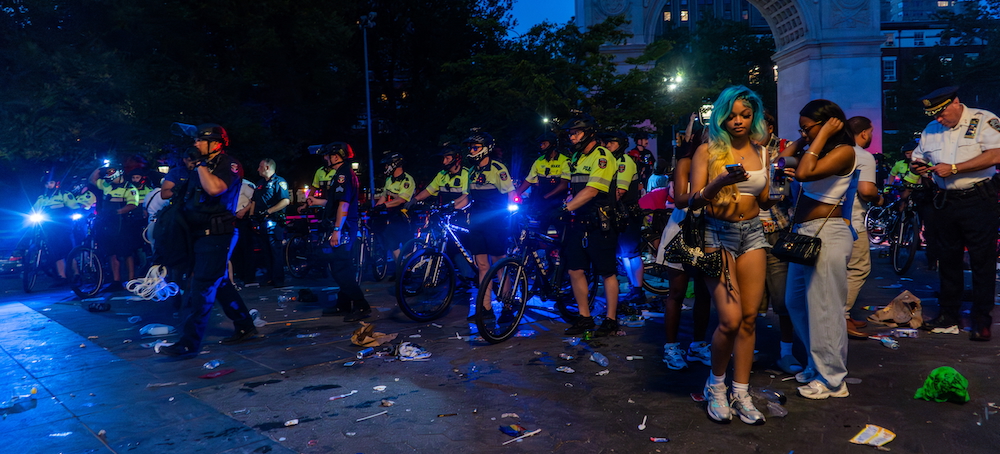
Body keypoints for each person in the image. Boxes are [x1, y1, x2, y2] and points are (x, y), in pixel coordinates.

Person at [687, 86, 775, 424]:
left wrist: (776, 189)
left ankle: (741, 390)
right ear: (722, 116)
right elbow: (694, 201)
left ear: (753, 116)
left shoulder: (761, 151)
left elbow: (764, 200)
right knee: (730, 319)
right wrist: (719, 181)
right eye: (732, 114)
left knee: (750, 318)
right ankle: (717, 384)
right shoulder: (707, 151)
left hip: (753, 233)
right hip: (717, 235)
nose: (738, 121)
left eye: (746, 114)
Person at [157, 123, 256, 357]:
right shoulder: (199, 168)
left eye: (201, 141)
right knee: (219, 282)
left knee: (201, 287)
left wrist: (200, 165)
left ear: (216, 143)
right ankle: (245, 325)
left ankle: (189, 343)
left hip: (217, 234)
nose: (196, 144)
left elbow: (215, 189)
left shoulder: (228, 164)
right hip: (197, 234)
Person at [911, 86, 1000, 342]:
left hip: (978, 199)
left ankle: (981, 319)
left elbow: (996, 154)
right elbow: (918, 157)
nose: (938, 119)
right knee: (947, 259)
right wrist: (918, 167)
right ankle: (949, 315)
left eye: (941, 113)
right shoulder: (931, 129)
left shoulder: (984, 120)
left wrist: (955, 168)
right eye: (934, 115)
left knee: (982, 260)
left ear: (956, 103)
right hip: (945, 201)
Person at [783, 99, 858, 400]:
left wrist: (824, 133)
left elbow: (802, 174)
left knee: (825, 309)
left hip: (827, 234)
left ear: (830, 123)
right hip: (805, 234)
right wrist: (807, 136)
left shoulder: (844, 152)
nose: (803, 134)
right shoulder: (815, 149)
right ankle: (818, 364)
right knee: (797, 302)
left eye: (806, 127)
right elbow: (782, 160)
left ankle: (833, 379)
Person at [654, 121, 713, 371]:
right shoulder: (686, 163)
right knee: (677, 293)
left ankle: (698, 345)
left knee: (703, 294)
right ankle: (671, 346)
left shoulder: (723, 164)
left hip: (710, 232)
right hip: (681, 230)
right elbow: (680, 200)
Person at [559, 114, 621, 337]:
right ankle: (584, 317)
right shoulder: (576, 157)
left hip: (600, 222)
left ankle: (611, 319)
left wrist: (566, 208)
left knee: (606, 272)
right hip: (579, 222)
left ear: (590, 133)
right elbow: (573, 189)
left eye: (576, 132)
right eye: (571, 134)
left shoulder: (602, 156)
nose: (572, 137)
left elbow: (592, 189)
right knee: (575, 269)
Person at [305, 142, 371, 321]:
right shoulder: (340, 175)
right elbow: (335, 201)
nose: (325, 158)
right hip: (343, 226)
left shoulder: (343, 176)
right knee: (342, 266)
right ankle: (344, 304)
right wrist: (317, 202)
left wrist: (337, 230)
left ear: (336, 156)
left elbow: (344, 204)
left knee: (339, 267)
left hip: (344, 227)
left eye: (327, 155)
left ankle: (361, 305)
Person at [756, 111, 801, 375]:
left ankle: (786, 353)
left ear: (770, 127)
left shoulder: (783, 148)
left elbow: (788, 188)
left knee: (783, 299)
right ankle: (747, 351)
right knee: (748, 302)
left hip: (777, 229)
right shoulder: (741, 150)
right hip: (747, 231)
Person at [463, 129, 516, 320]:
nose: (471, 151)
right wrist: (446, 208)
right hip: (477, 221)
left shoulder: (498, 169)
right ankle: (485, 309)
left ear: (486, 149)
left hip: (495, 222)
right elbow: (466, 197)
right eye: (470, 147)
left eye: (475, 147)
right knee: (482, 265)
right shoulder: (471, 171)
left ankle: (508, 306)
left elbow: (511, 195)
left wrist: (511, 217)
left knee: (499, 264)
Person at [844, 116, 884, 339]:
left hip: (830, 222)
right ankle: (842, 316)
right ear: (864, 133)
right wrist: (878, 199)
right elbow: (866, 190)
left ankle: (844, 316)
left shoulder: (833, 152)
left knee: (839, 273)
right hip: (853, 224)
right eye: (871, 132)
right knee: (858, 269)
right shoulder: (863, 156)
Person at [602, 129, 646, 307]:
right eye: (606, 142)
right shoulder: (610, 161)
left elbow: (620, 191)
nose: (607, 146)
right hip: (617, 212)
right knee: (624, 255)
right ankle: (634, 289)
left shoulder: (624, 162)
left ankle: (638, 290)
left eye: (611, 143)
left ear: (620, 144)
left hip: (627, 212)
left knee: (632, 254)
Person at [88, 164, 141, 290]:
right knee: (111, 252)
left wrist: (118, 212)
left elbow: (133, 204)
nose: (109, 178)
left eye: (111, 175)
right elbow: (92, 180)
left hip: (124, 223)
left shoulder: (129, 188)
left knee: (127, 252)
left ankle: (131, 280)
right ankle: (116, 281)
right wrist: (101, 167)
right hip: (108, 223)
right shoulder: (107, 185)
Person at [514, 132, 570, 232]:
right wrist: (515, 194)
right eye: (541, 144)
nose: (542, 146)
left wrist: (546, 196)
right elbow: (529, 180)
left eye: (544, 144)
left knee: (562, 232)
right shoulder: (539, 161)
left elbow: (564, 185)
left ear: (552, 144)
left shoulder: (564, 161)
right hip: (542, 203)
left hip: (558, 203)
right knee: (539, 232)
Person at [252, 158, 290, 287]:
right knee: (266, 251)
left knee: (275, 251)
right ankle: (270, 278)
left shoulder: (279, 182)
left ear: (267, 167)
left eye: (260, 166)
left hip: (274, 221)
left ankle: (278, 279)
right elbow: (254, 201)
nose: (258, 169)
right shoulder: (260, 183)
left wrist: (268, 211)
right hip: (262, 222)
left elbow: (285, 201)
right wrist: (253, 217)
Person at [32, 171, 74, 285]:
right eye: (46, 183)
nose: (49, 185)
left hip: (63, 227)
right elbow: (34, 209)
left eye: (51, 182)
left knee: (69, 250)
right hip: (49, 228)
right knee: (56, 252)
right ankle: (62, 277)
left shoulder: (64, 195)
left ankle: (76, 274)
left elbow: (74, 207)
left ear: (56, 183)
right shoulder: (42, 198)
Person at [374, 151, 415, 261]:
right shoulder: (389, 180)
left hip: (405, 218)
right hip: (392, 216)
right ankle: (399, 270)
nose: (386, 167)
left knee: (407, 246)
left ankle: (407, 271)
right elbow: (384, 195)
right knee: (393, 244)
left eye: (388, 164)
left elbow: (401, 200)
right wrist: (375, 207)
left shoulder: (407, 180)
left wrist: (383, 205)